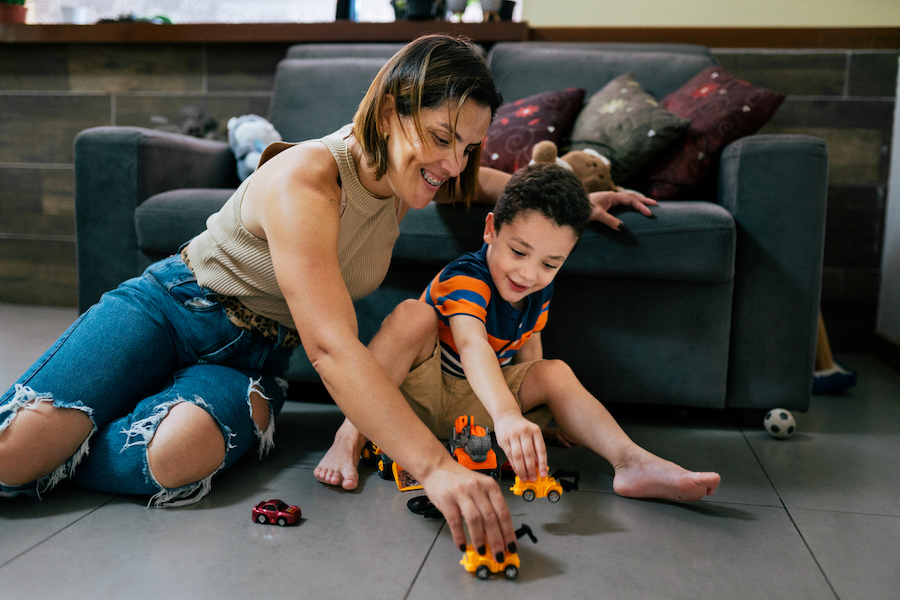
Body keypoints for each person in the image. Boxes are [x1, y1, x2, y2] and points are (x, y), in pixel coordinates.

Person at [0, 35, 657, 554]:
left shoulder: (416, 175)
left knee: (175, 461)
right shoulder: (310, 177)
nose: (454, 162)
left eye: (468, 145)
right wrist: (436, 467)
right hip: (175, 304)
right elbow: (332, 346)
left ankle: (74, 436)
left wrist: (574, 201)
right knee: (11, 461)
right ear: (394, 110)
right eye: (441, 139)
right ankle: (51, 439)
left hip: (251, 358)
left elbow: (491, 186)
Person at [315, 163, 721, 503]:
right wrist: (508, 415)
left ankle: (631, 462)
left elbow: (529, 350)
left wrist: (538, 416)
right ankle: (349, 435)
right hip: (417, 395)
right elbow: (473, 345)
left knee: (553, 370)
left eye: (550, 263)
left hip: (477, 411)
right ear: (491, 229)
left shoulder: (538, 289)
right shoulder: (467, 277)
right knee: (412, 315)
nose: (528, 274)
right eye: (519, 252)